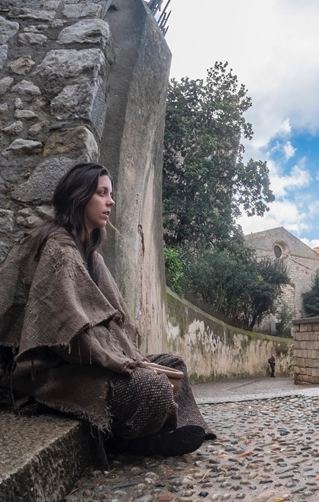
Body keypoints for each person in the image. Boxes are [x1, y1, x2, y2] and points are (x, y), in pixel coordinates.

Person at [0, 163, 213, 460]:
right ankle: (129, 443)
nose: (110, 201)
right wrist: (127, 365)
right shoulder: (58, 249)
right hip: (54, 372)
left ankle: (183, 429)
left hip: (95, 363)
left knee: (174, 364)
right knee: (153, 387)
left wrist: (134, 360)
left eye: (110, 194)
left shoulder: (91, 257)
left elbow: (116, 323)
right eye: (102, 193)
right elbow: (72, 338)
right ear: (78, 196)